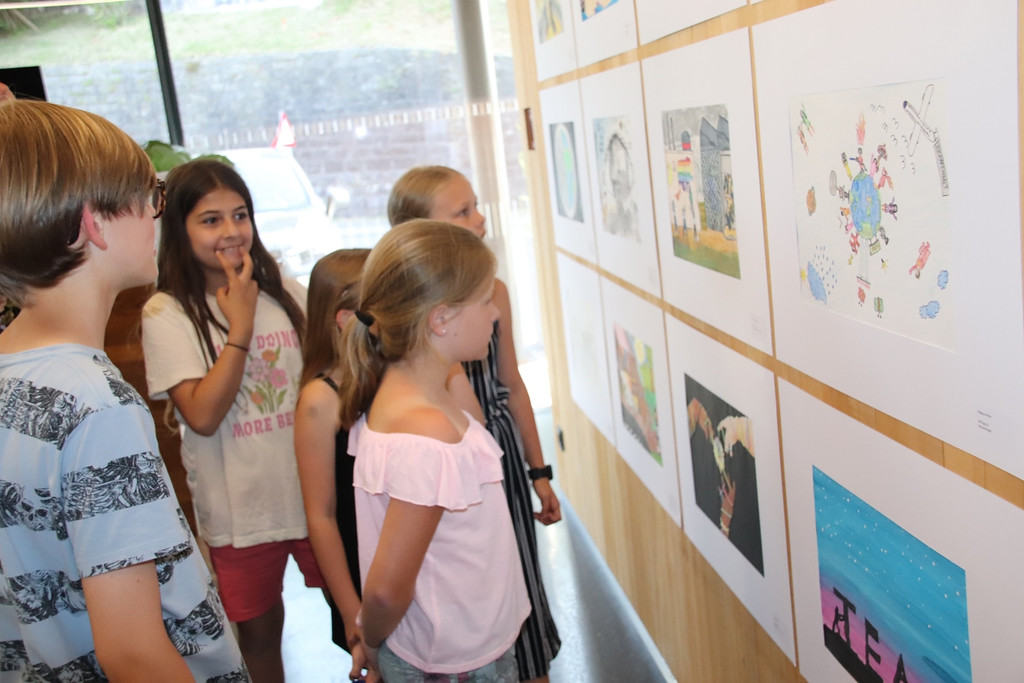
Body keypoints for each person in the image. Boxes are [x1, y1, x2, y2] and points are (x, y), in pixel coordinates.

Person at [0, 99, 248, 680]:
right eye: (152, 196)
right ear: (93, 222)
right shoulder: (96, 407)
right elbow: (133, 652)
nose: (158, 215)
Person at [141, 158, 323, 683]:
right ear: (180, 229)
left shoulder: (284, 290)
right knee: (261, 638)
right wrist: (239, 326)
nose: (231, 231)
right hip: (241, 516)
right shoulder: (166, 313)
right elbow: (201, 414)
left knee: (351, 616)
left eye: (240, 215)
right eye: (211, 219)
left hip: (315, 501)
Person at [388, 165, 562, 683]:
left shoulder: (496, 292)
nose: (481, 220)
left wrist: (538, 471)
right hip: (441, 464)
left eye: (476, 206)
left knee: (518, 577)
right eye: (463, 212)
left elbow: (512, 383)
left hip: (498, 458)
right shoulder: (404, 313)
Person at [338, 220, 530, 681]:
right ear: (440, 319)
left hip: (465, 646)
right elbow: (385, 591)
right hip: (453, 664)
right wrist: (372, 641)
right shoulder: (426, 435)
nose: (496, 314)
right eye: (485, 300)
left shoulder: (417, 393)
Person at [294, 248, 370, 678]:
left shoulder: (391, 379)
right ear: (346, 319)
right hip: (360, 570)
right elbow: (320, 516)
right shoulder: (320, 401)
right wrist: (350, 610)